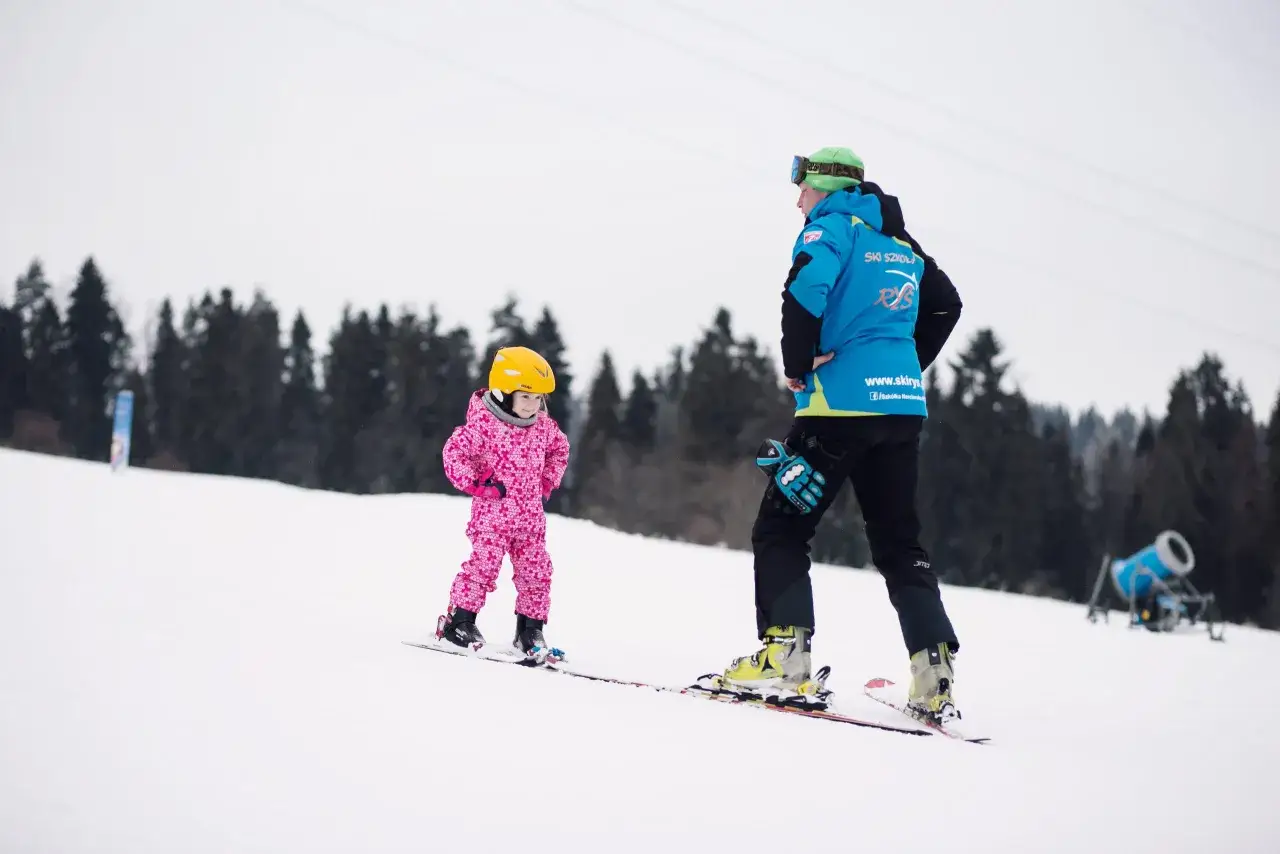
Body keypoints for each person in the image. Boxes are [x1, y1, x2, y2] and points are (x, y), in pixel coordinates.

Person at [721, 146, 965, 723]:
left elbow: (804, 292)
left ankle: (784, 656)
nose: (797, 199)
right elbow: (946, 306)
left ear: (826, 188)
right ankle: (935, 676)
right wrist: (905, 367)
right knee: (900, 545)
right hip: (901, 410)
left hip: (836, 411)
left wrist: (798, 364)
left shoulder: (830, 229)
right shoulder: (902, 242)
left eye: (803, 187)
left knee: (781, 528)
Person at [435, 345, 571, 663]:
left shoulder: (544, 428)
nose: (533, 405)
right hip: (492, 514)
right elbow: (453, 453)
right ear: (504, 392)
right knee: (483, 566)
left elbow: (560, 449)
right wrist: (478, 484)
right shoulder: (485, 426)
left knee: (537, 573)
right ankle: (460, 622)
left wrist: (547, 481)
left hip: (530, 519)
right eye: (525, 397)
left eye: (539, 398)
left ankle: (530, 630)